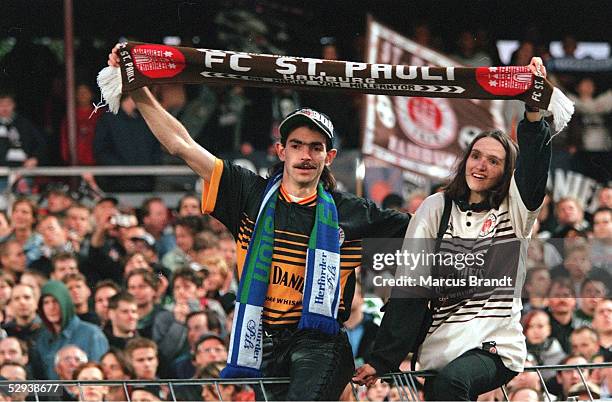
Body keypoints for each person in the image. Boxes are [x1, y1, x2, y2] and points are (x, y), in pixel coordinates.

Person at [107, 45, 410, 401]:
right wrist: (137, 88)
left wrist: (387, 350)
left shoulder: (355, 212)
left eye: (315, 147)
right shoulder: (248, 193)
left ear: (329, 157)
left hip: (320, 343)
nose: (305, 155)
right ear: (281, 151)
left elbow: (428, 232)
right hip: (261, 341)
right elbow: (181, 144)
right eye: (296, 145)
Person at [354, 57, 551, 400]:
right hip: (441, 344)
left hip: (495, 343)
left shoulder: (517, 210)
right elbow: (411, 284)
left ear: (507, 172)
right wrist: (381, 358)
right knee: (442, 388)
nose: (481, 165)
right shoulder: (435, 206)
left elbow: (533, 175)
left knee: (451, 385)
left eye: (494, 161)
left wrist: (533, 113)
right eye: (476, 155)